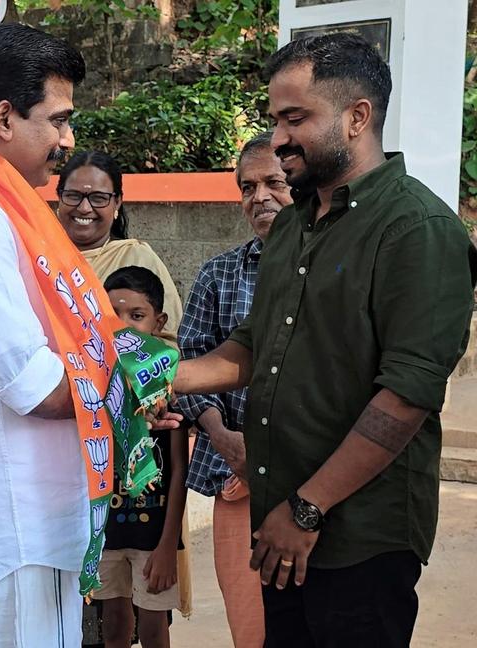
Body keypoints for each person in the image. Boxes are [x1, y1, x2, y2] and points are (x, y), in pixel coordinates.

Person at [174, 33, 477, 647]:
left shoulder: (417, 229)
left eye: (295, 118)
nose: (278, 137)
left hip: (360, 535)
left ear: (356, 117)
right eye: (274, 119)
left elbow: (407, 396)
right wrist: (151, 373)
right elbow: (251, 349)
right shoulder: (292, 225)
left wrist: (307, 509)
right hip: (279, 523)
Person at [0, 24, 180, 647]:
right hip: (4, 528)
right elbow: (41, 387)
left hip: (28, 521)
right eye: (57, 120)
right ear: (3, 117)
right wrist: (176, 373)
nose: (66, 140)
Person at [175, 131, 292, 648]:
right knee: (250, 625)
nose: (259, 197)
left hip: (312, 482)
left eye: (274, 182)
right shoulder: (219, 274)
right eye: (247, 187)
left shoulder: (335, 270)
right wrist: (223, 437)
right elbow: (192, 364)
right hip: (236, 475)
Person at [94, 266, 189, 648]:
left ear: (159, 321)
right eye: (115, 316)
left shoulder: (169, 384)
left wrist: (169, 545)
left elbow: (180, 469)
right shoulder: (93, 381)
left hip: (153, 536)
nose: (125, 327)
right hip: (106, 533)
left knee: (153, 628)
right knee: (113, 625)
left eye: (137, 316)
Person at [57, 150, 182, 341]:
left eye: (98, 198)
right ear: (59, 197)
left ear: (117, 202)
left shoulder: (137, 258)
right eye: (73, 196)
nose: (84, 208)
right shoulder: (34, 254)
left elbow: (168, 341)